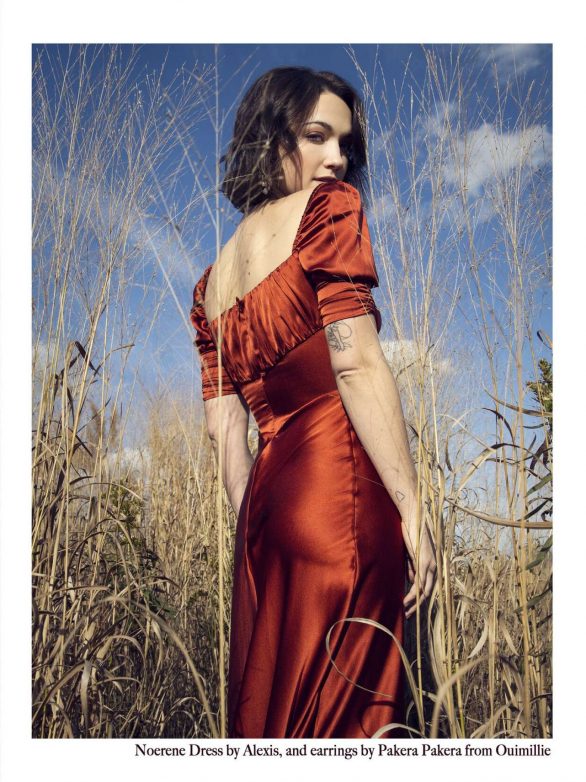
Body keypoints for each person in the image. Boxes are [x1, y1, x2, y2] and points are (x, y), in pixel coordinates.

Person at [189, 66, 436, 739]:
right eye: (317, 136)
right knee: (352, 719)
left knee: (280, 718)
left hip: (264, 515)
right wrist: (413, 508)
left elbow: (223, 430)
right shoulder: (329, 212)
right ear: (273, 140)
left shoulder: (209, 287)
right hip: (339, 490)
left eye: (346, 145)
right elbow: (353, 363)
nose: (338, 160)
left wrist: (261, 527)